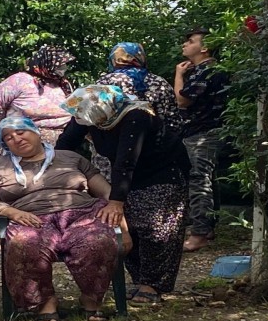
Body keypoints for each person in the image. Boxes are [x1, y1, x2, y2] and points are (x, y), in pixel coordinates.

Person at [0, 116, 132, 321]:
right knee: (24, 242)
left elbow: (105, 191)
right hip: (31, 217)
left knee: (98, 241)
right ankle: (44, 303)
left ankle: (91, 297)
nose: (16, 138)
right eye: (8, 137)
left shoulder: (70, 157)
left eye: (20, 131)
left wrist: (121, 221)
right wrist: (10, 211)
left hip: (81, 213)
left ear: (36, 132)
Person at [56, 85, 189, 306]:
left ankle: (153, 284)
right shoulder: (88, 113)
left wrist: (116, 202)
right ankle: (139, 279)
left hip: (164, 171)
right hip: (128, 174)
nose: (83, 121)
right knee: (130, 227)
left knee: (155, 227)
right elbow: (66, 144)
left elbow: (127, 160)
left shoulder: (136, 115)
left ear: (104, 109)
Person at [92, 42, 183, 180]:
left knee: (113, 198)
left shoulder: (105, 82)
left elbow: (94, 118)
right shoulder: (160, 82)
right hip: (155, 154)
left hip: (112, 154)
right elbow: (173, 122)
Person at [174, 28, 229, 252]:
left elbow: (181, 100)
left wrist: (178, 75)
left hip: (204, 133)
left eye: (190, 41)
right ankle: (207, 228)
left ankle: (199, 234)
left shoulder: (207, 71)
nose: (184, 45)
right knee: (206, 177)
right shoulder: (204, 71)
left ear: (204, 48)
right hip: (204, 132)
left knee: (199, 179)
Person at [0, 44, 76, 146]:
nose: (64, 68)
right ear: (46, 62)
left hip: (63, 143)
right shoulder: (20, 80)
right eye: (60, 65)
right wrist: (12, 124)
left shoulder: (64, 84)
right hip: (23, 142)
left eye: (64, 64)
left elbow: (75, 111)